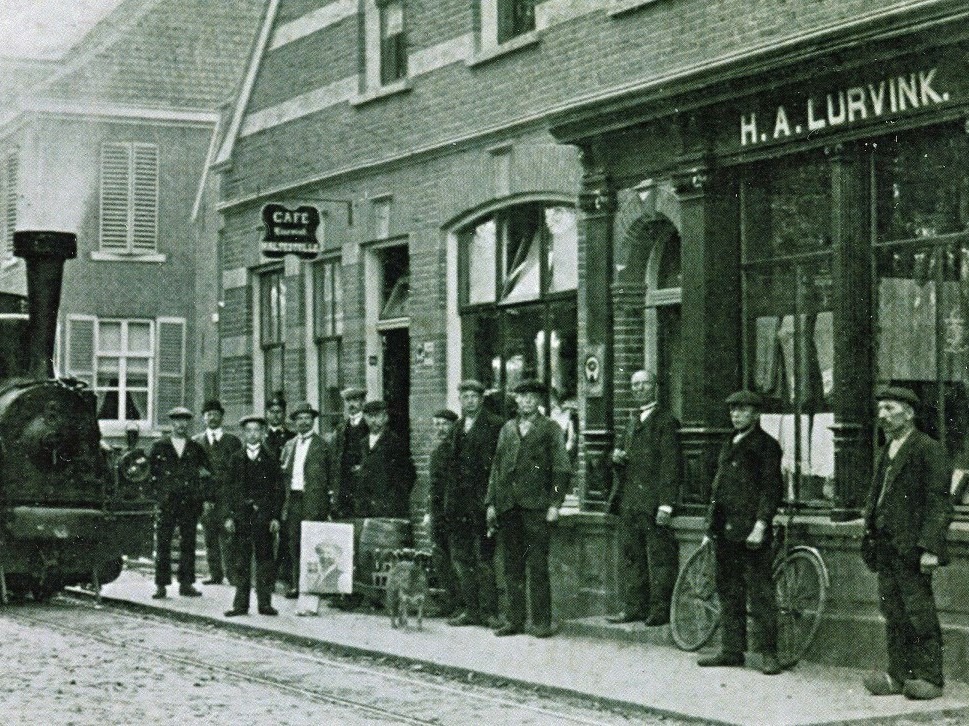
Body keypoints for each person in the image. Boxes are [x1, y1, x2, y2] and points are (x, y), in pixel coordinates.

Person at [861, 386, 953, 701]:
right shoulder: (887, 450)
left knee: (919, 612)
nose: (883, 416)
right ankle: (898, 676)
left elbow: (939, 504)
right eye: (880, 409)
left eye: (890, 408)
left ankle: (930, 678)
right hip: (886, 547)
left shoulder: (928, 449)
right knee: (893, 612)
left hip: (912, 549)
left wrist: (930, 548)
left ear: (909, 413)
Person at [698, 390, 783, 675]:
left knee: (760, 594)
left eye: (743, 410)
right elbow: (719, 490)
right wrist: (711, 529)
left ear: (756, 414)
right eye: (732, 410)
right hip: (726, 531)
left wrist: (761, 524)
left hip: (751, 533)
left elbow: (771, 489)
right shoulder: (728, 443)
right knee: (728, 591)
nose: (735, 415)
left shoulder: (766, 445)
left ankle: (769, 653)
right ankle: (732, 650)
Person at [486, 380, 571, 638]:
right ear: (516, 400)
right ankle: (515, 620)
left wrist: (555, 504)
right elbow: (496, 467)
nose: (526, 401)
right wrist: (491, 503)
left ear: (539, 401)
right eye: (522, 397)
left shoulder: (550, 428)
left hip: (536, 507)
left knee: (537, 565)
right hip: (508, 506)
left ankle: (541, 622)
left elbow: (561, 469)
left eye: (532, 397)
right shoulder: (507, 429)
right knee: (512, 565)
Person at [606, 370, 682, 626]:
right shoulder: (631, 421)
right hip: (630, 500)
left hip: (653, 502)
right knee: (632, 556)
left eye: (644, 384)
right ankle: (634, 607)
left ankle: (660, 610)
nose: (639, 389)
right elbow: (620, 455)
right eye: (635, 385)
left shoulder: (666, 421)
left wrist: (666, 504)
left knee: (659, 558)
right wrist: (616, 458)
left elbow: (671, 465)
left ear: (655, 387)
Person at [447, 380, 504, 629]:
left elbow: (498, 467)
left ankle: (490, 612)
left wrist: (492, 502)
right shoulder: (457, 427)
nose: (469, 401)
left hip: (482, 502)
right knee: (462, 558)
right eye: (465, 396)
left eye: (473, 396)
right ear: (460, 400)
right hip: (460, 504)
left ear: (481, 399)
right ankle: (471, 610)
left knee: (484, 558)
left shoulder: (495, 425)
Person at [223, 414, 284, 617]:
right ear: (243, 433)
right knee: (241, 561)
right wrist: (229, 516)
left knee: (265, 560)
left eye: (256, 430)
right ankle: (240, 605)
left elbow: (278, 490)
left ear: (263, 433)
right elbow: (228, 489)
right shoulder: (235, 458)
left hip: (264, 517)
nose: (252, 434)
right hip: (241, 517)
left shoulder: (271, 458)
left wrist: (275, 517)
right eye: (248, 430)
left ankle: (264, 604)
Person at [149, 407, 212, 599]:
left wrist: (205, 498)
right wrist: (156, 498)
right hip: (167, 502)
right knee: (163, 543)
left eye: (185, 421)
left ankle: (186, 584)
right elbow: (150, 474)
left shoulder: (195, 448)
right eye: (177, 421)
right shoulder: (159, 446)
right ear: (171, 423)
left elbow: (207, 474)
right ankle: (161, 585)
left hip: (189, 502)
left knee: (188, 543)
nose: (181, 425)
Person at [279, 402, 332, 598]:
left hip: (313, 500)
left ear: (313, 421)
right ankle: (297, 585)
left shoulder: (323, 445)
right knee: (294, 543)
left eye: (307, 418)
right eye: (300, 418)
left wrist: (328, 503)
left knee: (313, 543)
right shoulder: (289, 445)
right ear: (294, 422)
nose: (304, 422)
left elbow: (331, 475)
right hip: (293, 499)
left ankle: (315, 586)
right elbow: (282, 475)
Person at [195, 399, 242, 586]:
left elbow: (238, 471)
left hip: (226, 497)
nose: (212, 418)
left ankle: (232, 574)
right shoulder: (196, 442)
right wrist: (202, 497)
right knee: (209, 536)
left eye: (215, 414)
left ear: (222, 417)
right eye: (208, 415)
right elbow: (195, 472)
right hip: (206, 499)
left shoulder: (233, 441)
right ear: (203, 418)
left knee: (228, 536)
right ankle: (215, 574)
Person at [426, 408, 462, 617]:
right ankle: (450, 602)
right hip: (438, 512)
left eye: (445, 424)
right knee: (441, 557)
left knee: (457, 558)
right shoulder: (437, 452)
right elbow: (433, 486)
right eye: (437, 424)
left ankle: (461, 604)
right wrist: (429, 512)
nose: (440, 428)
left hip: (455, 511)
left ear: (453, 426)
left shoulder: (459, 450)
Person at [356, 400, 415, 518]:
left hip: (387, 509)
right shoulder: (362, 443)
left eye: (377, 416)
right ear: (365, 418)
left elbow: (409, 474)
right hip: (366, 509)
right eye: (370, 416)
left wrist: (393, 499)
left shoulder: (394, 441)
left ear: (385, 417)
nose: (373, 420)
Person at [331, 387, 369, 520]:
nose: (351, 404)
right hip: (344, 484)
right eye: (348, 401)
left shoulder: (369, 426)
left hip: (363, 483)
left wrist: (363, 466)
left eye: (355, 400)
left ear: (363, 402)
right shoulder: (341, 429)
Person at [264, 393, 296, 462]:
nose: (275, 415)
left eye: (278, 412)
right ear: (267, 414)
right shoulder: (261, 437)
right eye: (272, 412)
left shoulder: (292, 437)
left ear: (284, 414)